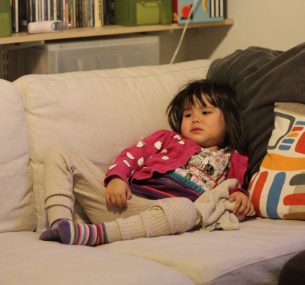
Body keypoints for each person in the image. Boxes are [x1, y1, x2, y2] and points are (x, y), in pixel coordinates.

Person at [40, 79, 254, 246]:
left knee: (186, 210)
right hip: (125, 200)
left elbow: (235, 188)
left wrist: (239, 195)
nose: (195, 119)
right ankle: (60, 225)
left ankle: (94, 234)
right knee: (60, 153)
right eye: (188, 114)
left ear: (229, 119)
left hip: (163, 213)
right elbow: (130, 156)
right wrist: (117, 178)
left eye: (205, 112)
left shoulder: (234, 157)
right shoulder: (167, 139)